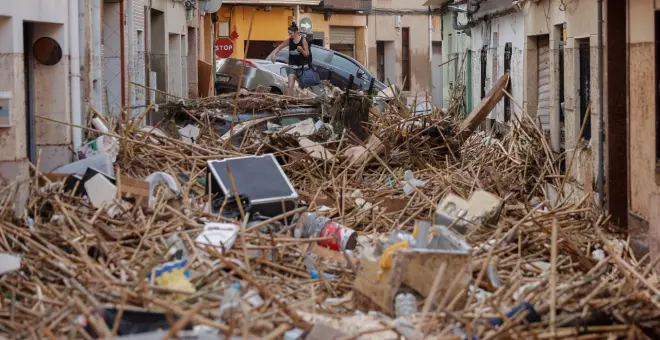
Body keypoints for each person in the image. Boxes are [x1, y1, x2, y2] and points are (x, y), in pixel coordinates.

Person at [270, 22, 310, 96]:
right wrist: (274, 54)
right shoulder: (289, 40)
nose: (290, 35)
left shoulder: (303, 40)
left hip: (302, 68)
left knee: (302, 87)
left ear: (296, 32)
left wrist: (301, 50)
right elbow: (279, 47)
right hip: (292, 67)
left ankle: (301, 102)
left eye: (291, 33)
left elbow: (307, 54)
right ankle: (288, 101)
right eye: (289, 33)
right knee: (290, 85)